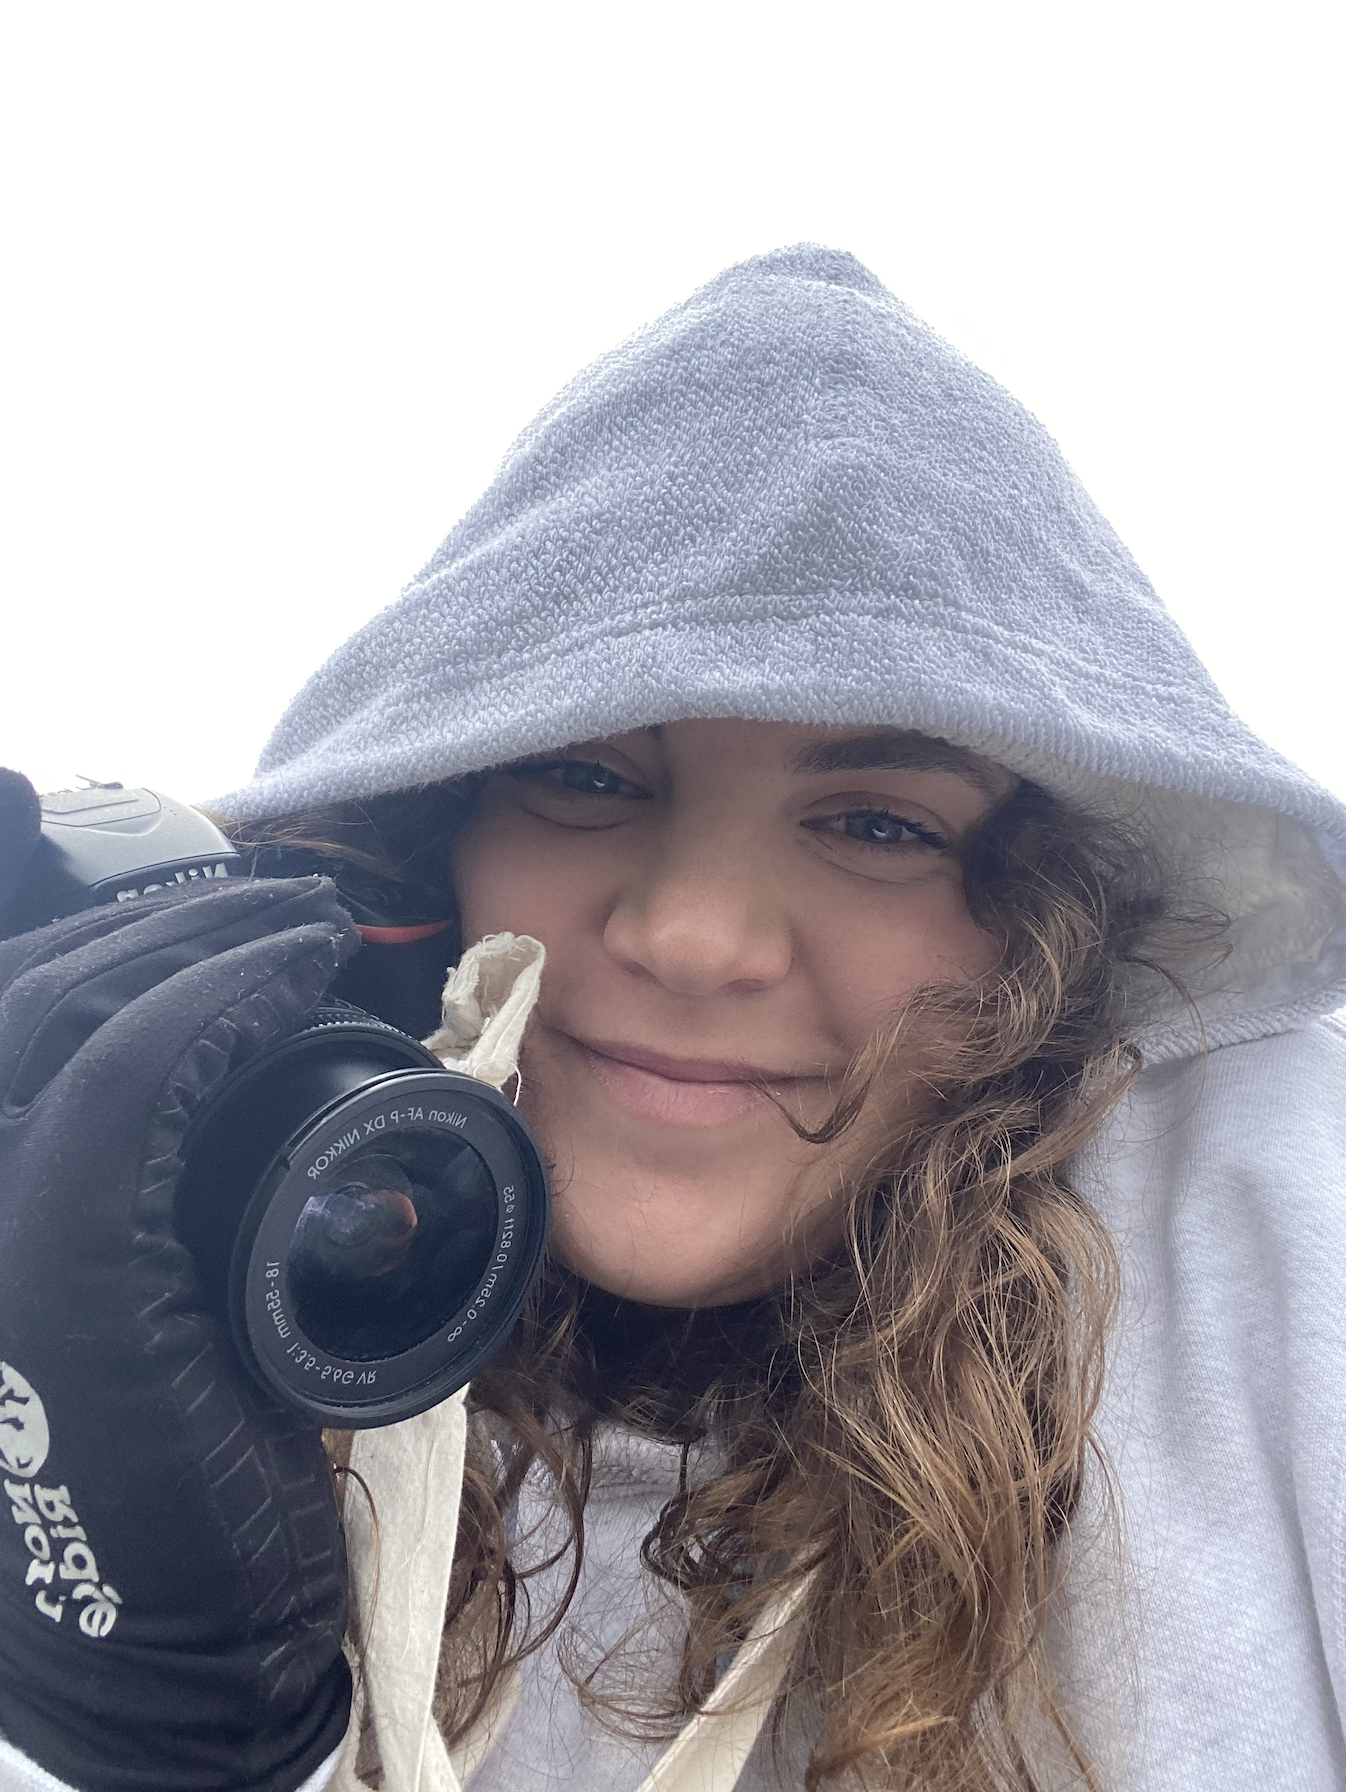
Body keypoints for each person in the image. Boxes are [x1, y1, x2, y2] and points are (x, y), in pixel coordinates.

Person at [1, 244, 1344, 1792]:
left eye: (878, 822)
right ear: (424, 843)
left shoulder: (1262, 1233)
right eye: (582, 776)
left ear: (1041, 921)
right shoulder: (114, 1287)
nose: (692, 935)